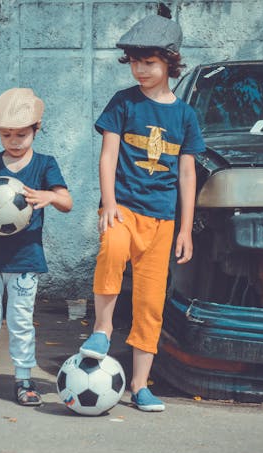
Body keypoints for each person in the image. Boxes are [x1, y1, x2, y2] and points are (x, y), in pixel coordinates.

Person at [78, 12, 206, 412]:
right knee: (111, 252)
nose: (140, 70)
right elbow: (108, 156)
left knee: (150, 302)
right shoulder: (123, 103)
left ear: (170, 61)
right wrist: (109, 203)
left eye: (149, 62)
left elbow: (188, 175)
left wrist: (185, 230)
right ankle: (102, 328)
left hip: (163, 221)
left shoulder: (185, 116)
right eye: (134, 62)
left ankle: (139, 385)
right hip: (124, 209)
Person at [0, 88, 73, 406]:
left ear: (36, 129)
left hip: (25, 259)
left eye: (21, 134)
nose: (14, 141)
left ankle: (24, 378)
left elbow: (66, 201)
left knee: (21, 320)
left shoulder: (46, 165)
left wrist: (48, 196)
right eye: (6, 135)